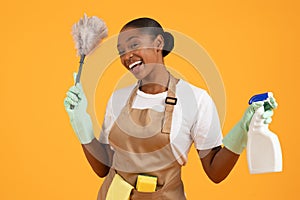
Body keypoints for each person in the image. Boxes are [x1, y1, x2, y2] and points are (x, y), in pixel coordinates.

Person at [64, 17, 277, 199]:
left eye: (134, 45)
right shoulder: (118, 99)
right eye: (121, 51)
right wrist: (81, 126)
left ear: (158, 43)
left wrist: (242, 130)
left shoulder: (196, 99)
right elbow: (104, 167)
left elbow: (215, 171)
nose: (127, 56)